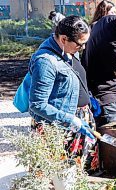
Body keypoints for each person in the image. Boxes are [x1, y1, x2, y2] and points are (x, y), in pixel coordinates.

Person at [29, 16, 100, 171]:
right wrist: (70, 119)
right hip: (57, 128)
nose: (82, 48)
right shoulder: (45, 61)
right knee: (58, 180)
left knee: (81, 176)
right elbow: (37, 104)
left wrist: (89, 99)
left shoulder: (68, 50)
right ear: (63, 39)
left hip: (79, 121)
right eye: (80, 45)